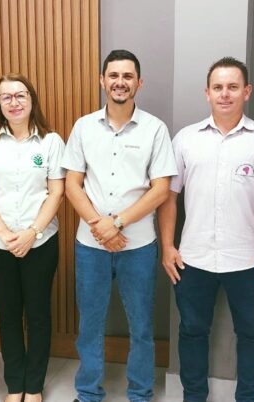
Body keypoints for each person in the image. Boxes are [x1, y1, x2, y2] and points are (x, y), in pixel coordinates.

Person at [158, 57, 254, 402]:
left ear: (247, 91)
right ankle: (194, 397)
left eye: (233, 86)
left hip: (249, 261)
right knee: (192, 332)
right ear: (207, 93)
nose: (225, 94)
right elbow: (169, 197)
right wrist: (167, 247)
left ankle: (249, 398)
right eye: (218, 87)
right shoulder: (186, 139)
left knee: (252, 335)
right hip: (193, 258)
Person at [62, 49, 177, 402]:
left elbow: (161, 189)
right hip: (91, 245)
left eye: (128, 76)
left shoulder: (155, 129)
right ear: (102, 80)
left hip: (138, 246)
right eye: (113, 75)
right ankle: (88, 393)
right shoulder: (83, 126)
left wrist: (118, 223)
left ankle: (140, 394)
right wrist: (100, 225)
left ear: (139, 83)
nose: (120, 82)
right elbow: (71, 184)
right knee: (89, 325)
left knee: (141, 326)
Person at [0, 73, 65, 402]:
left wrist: (32, 232)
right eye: (6, 97)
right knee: (8, 315)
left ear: (32, 99)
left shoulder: (51, 142)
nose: (14, 102)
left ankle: (34, 386)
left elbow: (56, 192)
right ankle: (15, 385)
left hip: (41, 242)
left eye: (21, 95)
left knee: (38, 315)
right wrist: (5, 233)